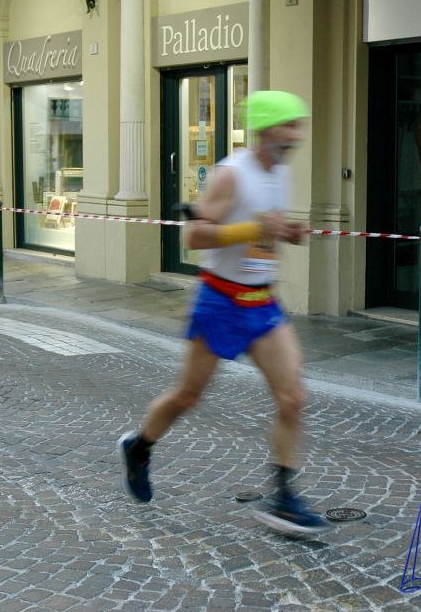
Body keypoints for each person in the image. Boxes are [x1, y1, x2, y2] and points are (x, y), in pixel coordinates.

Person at [118, 90, 330, 537]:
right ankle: (140, 447)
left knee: (293, 398)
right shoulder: (231, 173)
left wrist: (284, 233)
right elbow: (194, 235)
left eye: (299, 126)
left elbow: (263, 233)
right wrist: (255, 228)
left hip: (262, 302)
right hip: (220, 300)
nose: (297, 136)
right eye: (290, 126)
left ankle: (284, 499)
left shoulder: (281, 174)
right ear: (266, 128)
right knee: (187, 397)